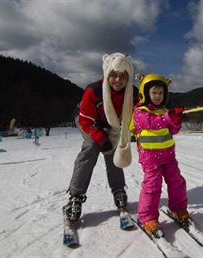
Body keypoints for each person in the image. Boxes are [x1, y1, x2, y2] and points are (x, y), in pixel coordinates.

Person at [63, 53, 139, 224]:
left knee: (113, 150)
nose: (118, 80)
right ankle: (75, 196)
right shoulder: (94, 90)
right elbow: (85, 119)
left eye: (123, 76)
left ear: (129, 77)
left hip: (112, 125)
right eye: (114, 75)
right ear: (107, 74)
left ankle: (118, 190)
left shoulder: (133, 93)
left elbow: (141, 112)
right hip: (89, 121)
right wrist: (100, 138)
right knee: (91, 147)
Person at [130, 73, 188, 235]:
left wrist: (176, 120)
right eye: (154, 92)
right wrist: (168, 117)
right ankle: (147, 217)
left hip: (169, 156)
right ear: (146, 93)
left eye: (161, 93)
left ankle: (178, 208)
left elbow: (173, 130)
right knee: (152, 186)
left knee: (177, 182)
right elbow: (152, 123)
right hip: (150, 159)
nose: (157, 96)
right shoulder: (140, 112)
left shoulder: (164, 111)